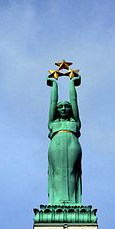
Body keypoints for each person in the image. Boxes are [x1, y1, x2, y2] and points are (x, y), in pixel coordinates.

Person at [47, 75, 82, 205]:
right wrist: (54, 86)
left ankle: (72, 201)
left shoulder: (75, 122)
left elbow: (74, 101)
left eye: (66, 107)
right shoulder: (53, 123)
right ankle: (57, 201)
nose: (63, 108)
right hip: (56, 145)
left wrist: (72, 84)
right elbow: (52, 102)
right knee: (57, 171)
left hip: (73, 144)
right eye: (60, 106)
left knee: (72, 171)